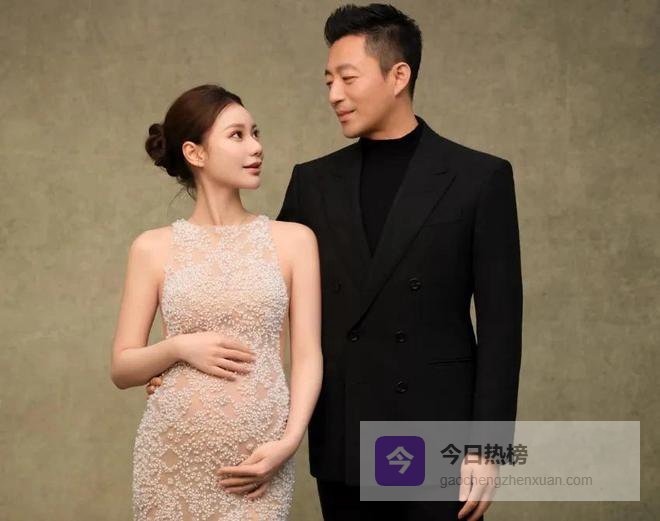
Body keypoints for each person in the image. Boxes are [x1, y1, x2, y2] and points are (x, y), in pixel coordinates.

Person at [275, 4, 523, 521]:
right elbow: (265, 292)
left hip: (436, 432)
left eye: (347, 78)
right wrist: (187, 367)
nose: (334, 95)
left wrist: (488, 448)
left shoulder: (478, 178)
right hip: (344, 429)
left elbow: (502, 326)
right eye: (328, 82)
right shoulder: (313, 183)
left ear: (398, 76)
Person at [111, 84, 323, 521]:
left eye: (256, 133)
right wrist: (178, 347)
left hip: (258, 463)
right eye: (237, 135)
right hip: (170, 460)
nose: (256, 146)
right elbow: (122, 368)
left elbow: (307, 355)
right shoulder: (152, 248)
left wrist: (290, 440)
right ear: (195, 153)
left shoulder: (294, 241)